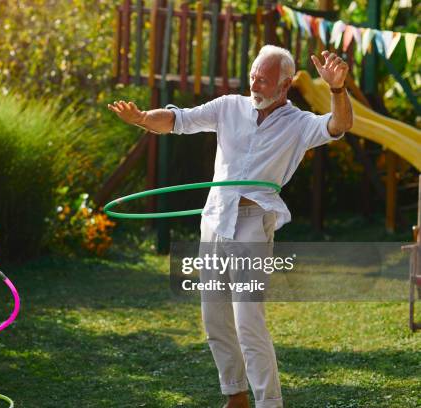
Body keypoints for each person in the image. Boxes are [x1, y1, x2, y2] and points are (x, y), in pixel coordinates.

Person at [108, 46, 353, 408]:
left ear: (285, 85)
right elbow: (178, 121)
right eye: (253, 75)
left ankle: (270, 403)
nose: (254, 83)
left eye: (264, 79)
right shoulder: (229, 107)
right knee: (215, 319)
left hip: (252, 226)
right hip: (214, 220)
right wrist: (142, 117)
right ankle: (235, 396)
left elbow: (339, 125)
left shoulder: (298, 124)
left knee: (248, 322)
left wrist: (336, 90)